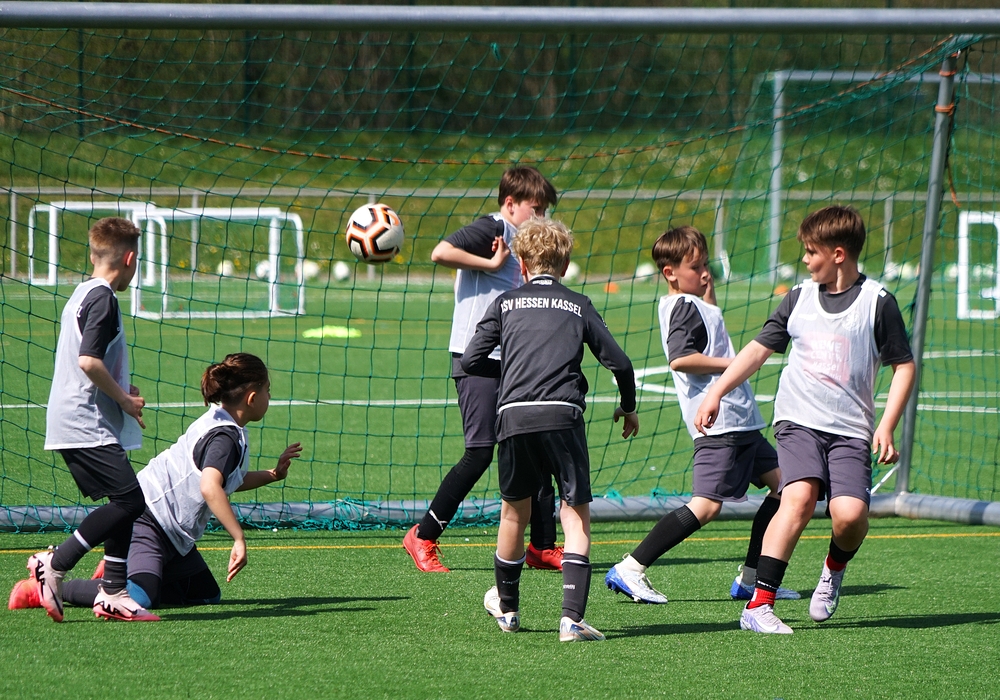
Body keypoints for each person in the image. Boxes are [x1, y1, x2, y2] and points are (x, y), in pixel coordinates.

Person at [694, 205, 915, 634]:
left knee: (849, 516)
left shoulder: (878, 303)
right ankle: (759, 605)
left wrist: (887, 424)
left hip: (851, 429)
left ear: (837, 254)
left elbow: (903, 366)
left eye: (811, 252)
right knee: (797, 498)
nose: (805, 260)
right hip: (797, 420)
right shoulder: (798, 298)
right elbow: (757, 350)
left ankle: (833, 569)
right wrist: (717, 391)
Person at [10, 353, 302, 613]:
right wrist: (238, 538)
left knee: (205, 595)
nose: (269, 397)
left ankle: (124, 567)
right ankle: (48, 588)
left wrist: (273, 474)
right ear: (252, 398)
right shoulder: (225, 438)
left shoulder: (224, 423)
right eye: (267, 390)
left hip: (172, 534)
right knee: (140, 597)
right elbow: (210, 487)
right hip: (149, 519)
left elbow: (224, 482)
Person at [462, 217, 639, 642]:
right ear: (565, 264)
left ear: (522, 264)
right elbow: (621, 364)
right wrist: (628, 407)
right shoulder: (578, 304)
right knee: (574, 514)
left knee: (513, 513)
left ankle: (508, 610)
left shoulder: (504, 302)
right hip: (563, 415)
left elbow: (470, 361)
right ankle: (571, 620)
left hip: (514, 416)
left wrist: (513, 377)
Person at [604, 226, 799, 604]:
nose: (705, 273)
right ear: (670, 273)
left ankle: (752, 578)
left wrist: (708, 294)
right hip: (718, 425)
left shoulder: (693, 303)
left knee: (785, 488)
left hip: (740, 423)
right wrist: (736, 364)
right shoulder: (682, 306)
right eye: (696, 267)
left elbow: (708, 324)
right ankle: (631, 567)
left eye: (706, 264)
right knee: (706, 506)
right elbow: (681, 358)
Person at [404, 166, 563, 573]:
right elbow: (440, 252)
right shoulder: (493, 228)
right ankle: (423, 535)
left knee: (535, 447)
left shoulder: (523, 243)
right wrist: (490, 264)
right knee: (479, 453)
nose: (541, 217)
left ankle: (542, 546)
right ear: (510, 204)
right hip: (475, 358)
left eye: (545, 210)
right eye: (536, 209)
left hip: (511, 361)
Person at [26, 216, 156, 622]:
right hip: (83, 421)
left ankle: (114, 592)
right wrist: (125, 400)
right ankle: (55, 563)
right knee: (131, 500)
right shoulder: (104, 299)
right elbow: (87, 360)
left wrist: (120, 389)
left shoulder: (83, 292)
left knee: (123, 501)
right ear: (130, 259)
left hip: (81, 417)